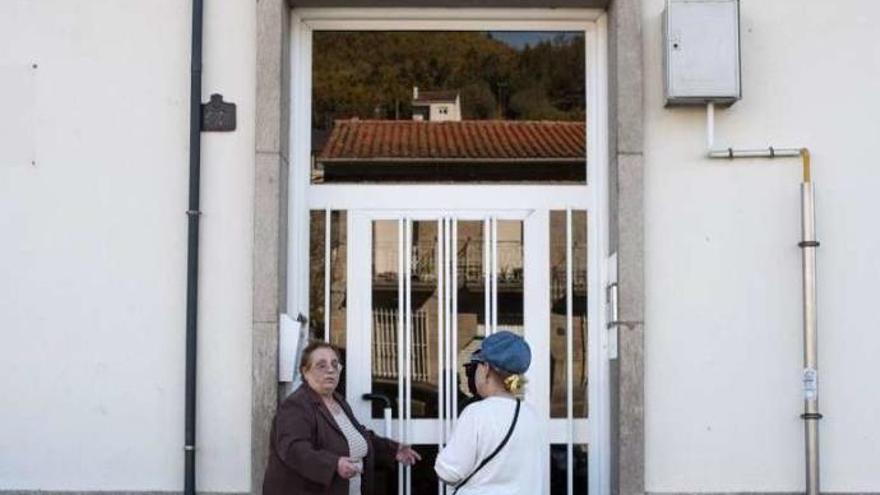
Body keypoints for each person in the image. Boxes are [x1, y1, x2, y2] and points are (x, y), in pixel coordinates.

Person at [263, 341, 421, 495]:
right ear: (305, 372)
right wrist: (334, 464)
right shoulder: (296, 405)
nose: (330, 370)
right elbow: (294, 449)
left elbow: (356, 436)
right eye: (321, 365)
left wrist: (392, 449)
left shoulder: (338, 401)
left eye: (334, 364)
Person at [435, 331, 544, 495]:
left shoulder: (476, 413)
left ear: (485, 368)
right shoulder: (531, 416)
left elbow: (448, 472)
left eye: (477, 365)